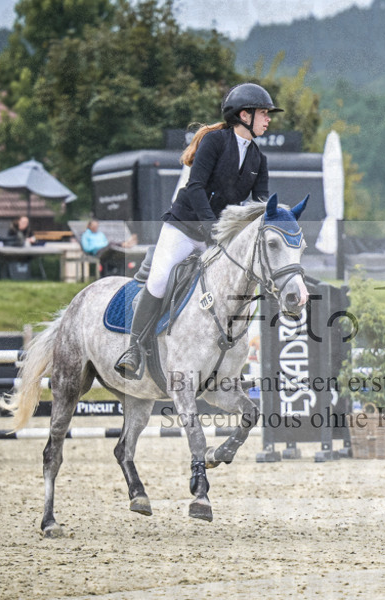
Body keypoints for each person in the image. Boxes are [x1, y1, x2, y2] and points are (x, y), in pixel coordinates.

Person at [115, 82, 281, 380]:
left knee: (229, 285)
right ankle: (134, 348)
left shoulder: (259, 159)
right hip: (184, 226)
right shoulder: (215, 142)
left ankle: (222, 356)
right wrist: (211, 227)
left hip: (216, 236)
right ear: (245, 115)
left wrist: (275, 221)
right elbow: (195, 187)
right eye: (264, 113)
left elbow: (260, 205)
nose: (268, 119)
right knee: (160, 278)